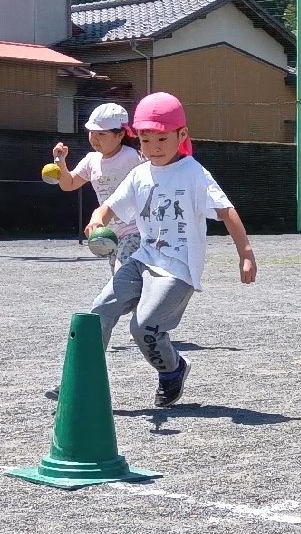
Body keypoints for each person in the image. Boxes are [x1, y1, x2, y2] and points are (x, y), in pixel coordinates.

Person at [84, 91, 257, 406]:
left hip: (177, 268)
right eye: (146, 141)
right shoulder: (139, 173)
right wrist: (97, 220)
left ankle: (172, 370)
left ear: (182, 135)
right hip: (142, 258)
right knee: (99, 310)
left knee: (143, 327)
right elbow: (108, 207)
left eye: (162, 139)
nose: (153, 148)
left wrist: (245, 254)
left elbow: (226, 211)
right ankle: (80, 380)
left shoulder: (193, 172)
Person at [52, 103, 144, 264]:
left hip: (136, 231)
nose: (94, 139)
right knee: (123, 277)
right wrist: (60, 162)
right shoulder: (91, 160)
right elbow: (69, 184)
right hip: (111, 234)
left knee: (123, 274)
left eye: (101, 134)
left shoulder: (132, 157)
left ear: (120, 135)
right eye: (91, 133)